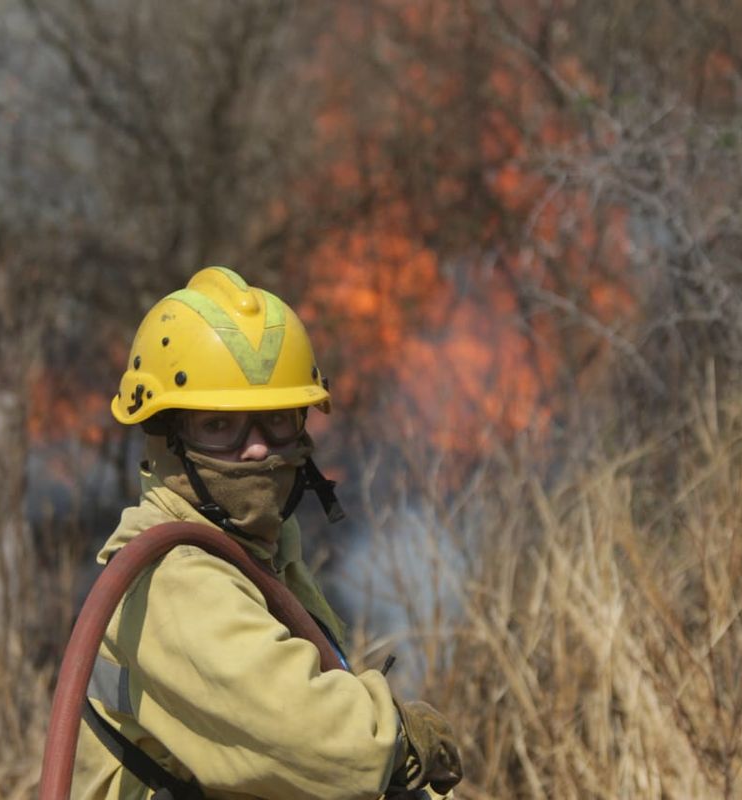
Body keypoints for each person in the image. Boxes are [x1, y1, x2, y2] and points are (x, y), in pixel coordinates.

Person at [73, 266, 463, 799]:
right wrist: (397, 737)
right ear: (165, 438)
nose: (257, 447)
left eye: (276, 419)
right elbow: (329, 747)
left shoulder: (261, 550)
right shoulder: (171, 577)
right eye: (219, 425)